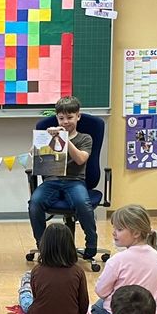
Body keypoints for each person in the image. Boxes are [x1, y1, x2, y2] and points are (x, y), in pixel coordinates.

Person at [28, 96, 97, 259]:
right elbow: (32, 154)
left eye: (70, 117)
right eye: (61, 118)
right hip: (51, 180)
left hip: (75, 181)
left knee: (83, 203)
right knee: (34, 203)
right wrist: (44, 138)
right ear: (57, 118)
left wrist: (64, 138)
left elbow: (80, 159)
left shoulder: (85, 138)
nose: (65, 122)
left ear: (78, 116)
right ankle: (43, 246)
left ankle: (91, 244)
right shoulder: (50, 135)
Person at [89, 204, 157, 314]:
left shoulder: (118, 260)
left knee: (96, 308)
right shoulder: (155, 255)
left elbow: (101, 291)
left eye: (119, 229)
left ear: (136, 233)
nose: (113, 233)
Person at [18, 223, 89, 314]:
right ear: (70, 246)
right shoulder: (78, 271)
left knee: (26, 287)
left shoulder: (37, 270)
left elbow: (37, 298)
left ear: (44, 245)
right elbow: (84, 302)